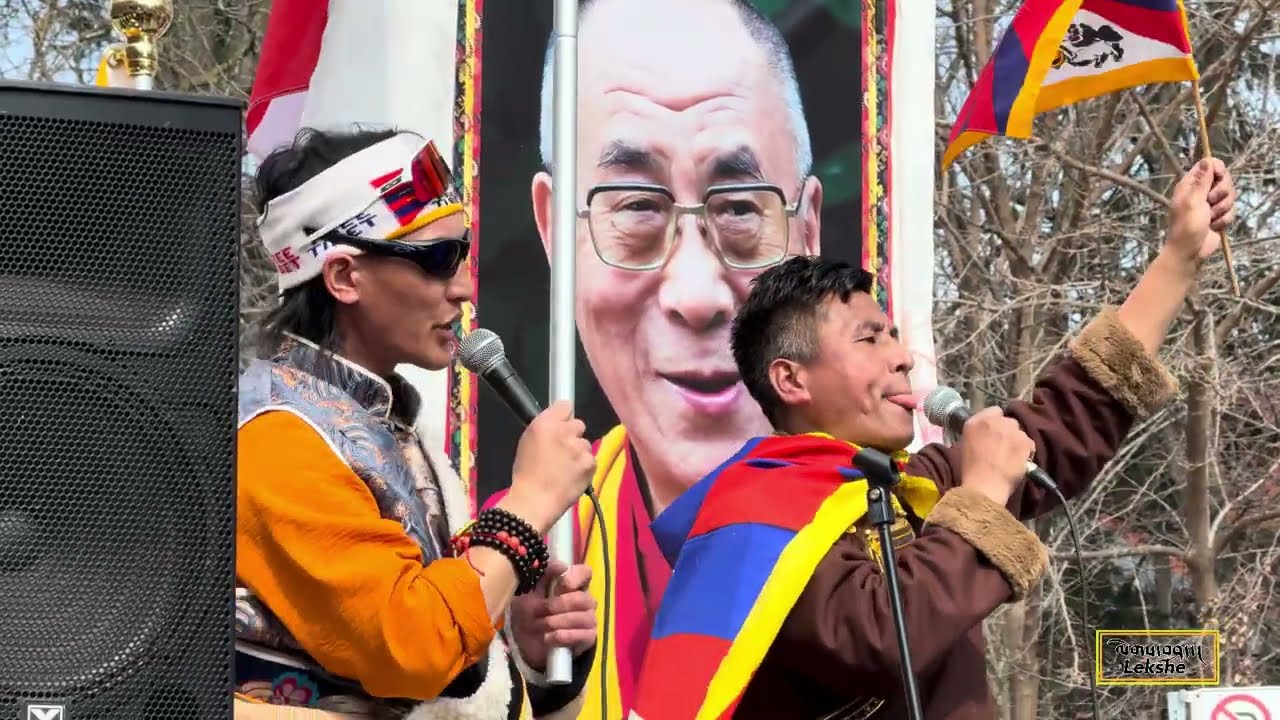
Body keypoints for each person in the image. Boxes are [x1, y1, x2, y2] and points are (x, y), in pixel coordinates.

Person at [631, 158, 1238, 719]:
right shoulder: (755, 517)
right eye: (870, 339)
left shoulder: (911, 486)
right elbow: (876, 639)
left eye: (895, 336)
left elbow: (1066, 418)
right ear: (791, 379)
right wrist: (981, 495)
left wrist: (1178, 258)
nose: (902, 359)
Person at [489, 1, 825, 714]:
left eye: (739, 209)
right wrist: (517, 659)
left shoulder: (885, 525)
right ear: (554, 228)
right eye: (636, 206)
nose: (697, 295)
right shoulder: (526, 550)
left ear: (808, 227)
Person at [233, 126, 599, 719]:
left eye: (463, 252)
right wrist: (529, 503)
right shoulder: (276, 434)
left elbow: (440, 663)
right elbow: (414, 650)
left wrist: (526, 650)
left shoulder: (386, 425)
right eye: (436, 260)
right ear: (345, 277)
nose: (463, 287)